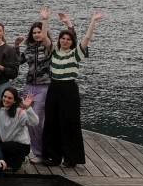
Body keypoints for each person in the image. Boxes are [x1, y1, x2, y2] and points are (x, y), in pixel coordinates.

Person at [42, 11, 105, 168]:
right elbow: (44, 37)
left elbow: (87, 38)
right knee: (52, 122)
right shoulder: (53, 51)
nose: (65, 41)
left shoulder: (76, 53)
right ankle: (54, 157)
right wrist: (45, 19)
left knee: (69, 123)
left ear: (71, 42)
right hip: (54, 87)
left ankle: (70, 158)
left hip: (69, 88)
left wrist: (93, 20)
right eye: (62, 39)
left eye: (68, 39)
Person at [16, 8, 52, 162]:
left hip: (44, 86)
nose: (37, 34)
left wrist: (45, 19)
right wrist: (16, 46)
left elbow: (45, 38)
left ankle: (43, 153)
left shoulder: (48, 48)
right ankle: (37, 152)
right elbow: (17, 61)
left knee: (37, 119)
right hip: (29, 86)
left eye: (39, 32)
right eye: (34, 32)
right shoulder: (29, 49)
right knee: (29, 121)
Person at [0, 86, 39, 172]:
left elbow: (34, 122)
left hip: (21, 145)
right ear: (2, 97)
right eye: (5, 97)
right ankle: (9, 162)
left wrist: (28, 108)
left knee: (2, 146)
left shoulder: (20, 112)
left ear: (14, 100)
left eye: (10, 98)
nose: (6, 99)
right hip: (6, 143)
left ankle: (20, 162)